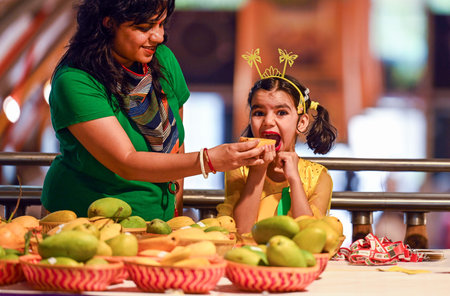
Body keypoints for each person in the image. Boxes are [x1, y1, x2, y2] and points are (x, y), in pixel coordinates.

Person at [41, 0, 266, 221]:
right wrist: (208, 160)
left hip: (158, 219)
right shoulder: (76, 80)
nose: (158, 36)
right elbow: (126, 162)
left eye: (161, 24)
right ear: (108, 23)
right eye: (144, 27)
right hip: (87, 218)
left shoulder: (163, 60)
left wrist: (174, 212)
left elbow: (176, 146)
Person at [217, 74, 337, 234]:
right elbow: (241, 231)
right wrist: (258, 170)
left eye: (281, 113)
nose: (268, 121)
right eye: (259, 113)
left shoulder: (319, 177)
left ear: (301, 122)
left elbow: (309, 234)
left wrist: (294, 179)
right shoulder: (239, 169)